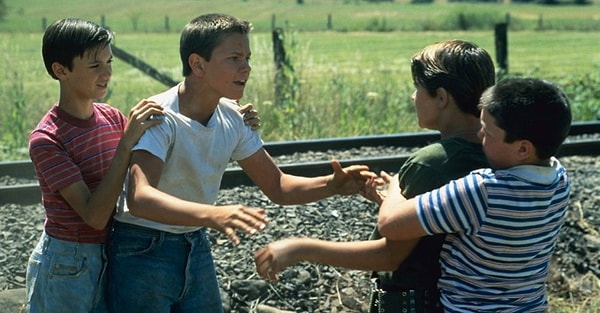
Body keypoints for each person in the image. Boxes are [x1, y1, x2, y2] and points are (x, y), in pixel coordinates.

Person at [107, 13, 376, 313]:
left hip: (194, 244)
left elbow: (278, 186)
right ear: (198, 64)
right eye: (234, 58)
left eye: (247, 57)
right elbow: (140, 197)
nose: (246, 67)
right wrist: (213, 215)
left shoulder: (234, 118)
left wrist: (331, 185)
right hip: (142, 249)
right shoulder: (160, 118)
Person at [25, 17, 260, 313]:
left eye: (109, 62)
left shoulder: (111, 117)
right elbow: (95, 216)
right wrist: (126, 144)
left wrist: (237, 117)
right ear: (61, 70)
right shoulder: (47, 139)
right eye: (95, 66)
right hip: (68, 262)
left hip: (109, 251)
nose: (107, 73)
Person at [253, 39, 496, 313]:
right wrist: (389, 206)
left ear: (441, 98)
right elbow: (444, 224)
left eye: (417, 89)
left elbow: (390, 255)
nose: (413, 97)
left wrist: (300, 248)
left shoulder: (432, 163)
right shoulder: (495, 154)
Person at [376, 77, 572, 312]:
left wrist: (396, 185)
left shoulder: (482, 191)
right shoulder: (559, 180)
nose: (479, 137)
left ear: (523, 149)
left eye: (487, 133)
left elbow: (390, 224)